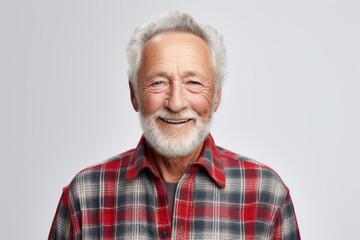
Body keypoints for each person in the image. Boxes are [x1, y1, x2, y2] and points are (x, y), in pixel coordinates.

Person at [49, 11, 300, 240]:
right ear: (134, 93)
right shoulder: (84, 195)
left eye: (193, 82)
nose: (176, 103)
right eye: (158, 82)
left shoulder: (266, 194)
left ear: (216, 96)